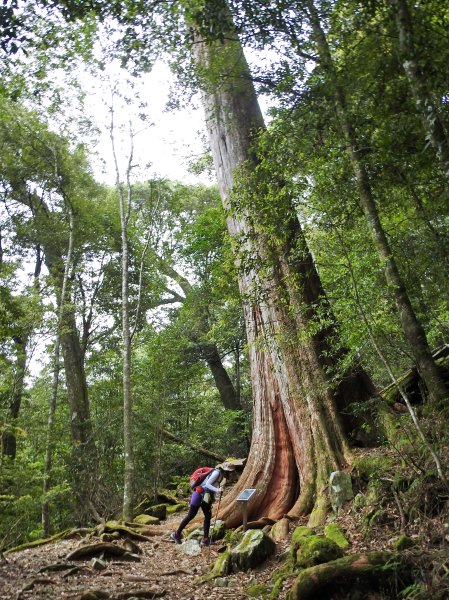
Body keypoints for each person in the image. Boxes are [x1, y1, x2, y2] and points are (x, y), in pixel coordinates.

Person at [170, 462, 235, 546]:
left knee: (208, 516)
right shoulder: (216, 473)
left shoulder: (222, 476)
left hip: (206, 497)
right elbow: (207, 485)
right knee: (191, 515)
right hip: (198, 494)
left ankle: (205, 539)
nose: (231, 474)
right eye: (230, 472)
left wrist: (216, 493)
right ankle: (176, 534)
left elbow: (212, 487)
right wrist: (218, 490)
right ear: (226, 470)